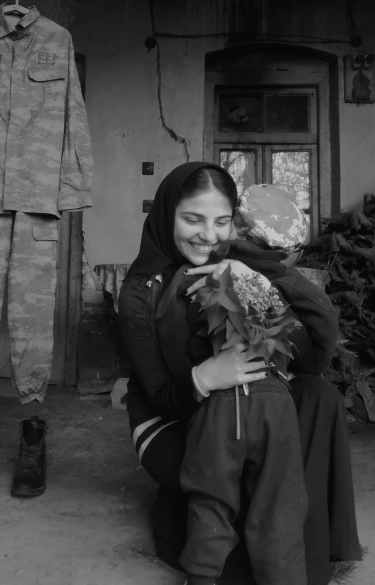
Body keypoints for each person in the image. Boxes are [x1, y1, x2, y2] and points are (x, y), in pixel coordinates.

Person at [118, 162, 362, 585]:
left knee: (317, 395)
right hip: (170, 418)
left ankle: (313, 546)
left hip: (240, 404)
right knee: (220, 475)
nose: (207, 235)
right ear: (165, 214)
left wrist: (257, 282)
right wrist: (207, 376)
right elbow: (158, 396)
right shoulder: (141, 291)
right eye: (192, 219)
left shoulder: (238, 264)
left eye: (221, 221)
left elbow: (309, 359)